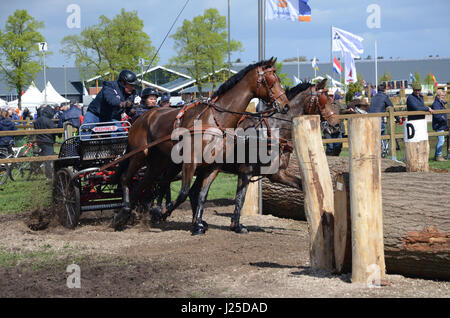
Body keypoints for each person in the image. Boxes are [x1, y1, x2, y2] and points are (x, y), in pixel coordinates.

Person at [369, 83, 400, 157]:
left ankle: (376, 153)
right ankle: (384, 153)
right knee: (383, 136)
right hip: (379, 120)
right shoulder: (385, 97)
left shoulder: (373, 97)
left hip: (371, 121)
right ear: (384, 90)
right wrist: (398, 119)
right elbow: (392, 108)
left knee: (375, 137)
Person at [33, 105, 57, 180]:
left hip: (39, 140)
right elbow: (54, 131)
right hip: (47, 141)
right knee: (48, 159)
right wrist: (59, 134)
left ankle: (34, 167)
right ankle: (49, 176)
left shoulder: (37, 120)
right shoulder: (49, 121)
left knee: (43, 156)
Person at [431, 89, 448, 161]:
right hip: (438, 125)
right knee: (441, 140)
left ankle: (437, 155)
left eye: (444, 95)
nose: (443, 97)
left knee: (441, 139)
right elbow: (437, 116)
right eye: (442, 95)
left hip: (441, 124)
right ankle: (438, 155)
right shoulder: (436, 104)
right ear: (438, 96)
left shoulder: (440, 103)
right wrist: (444, 119)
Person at [324, 91, 343, 156]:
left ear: (334, 96)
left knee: (338, 145)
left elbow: (343, 110)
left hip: (337, 127)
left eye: (332, 96)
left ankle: (335, 159)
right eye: (329, 96)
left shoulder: (338, 104)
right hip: (327, 127)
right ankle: (329, 160)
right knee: (330, 146)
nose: (330, 97)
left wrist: (349, 110)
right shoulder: (324, 104)